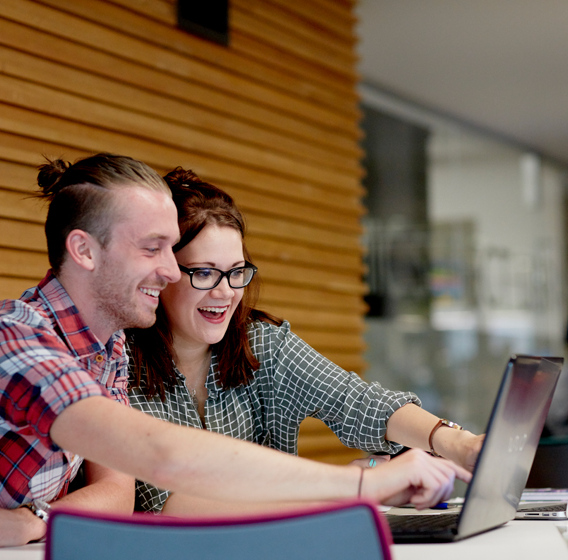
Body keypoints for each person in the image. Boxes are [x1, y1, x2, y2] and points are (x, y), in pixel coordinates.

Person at [0, 153, 469, 560]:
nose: (170, 270)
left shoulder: (103, 347)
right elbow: (164, 462)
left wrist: (34, 520)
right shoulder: (16, 340)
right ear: (83, 249)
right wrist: (362, 487)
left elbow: (120, 490)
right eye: (155, 249)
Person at [127, 167, 484, 515]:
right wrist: (356, 487)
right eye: (205, 272)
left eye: (237, 272)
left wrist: (457, 444)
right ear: (165, 272)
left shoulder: (261, 344)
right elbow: (171, 506)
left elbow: (358, 402)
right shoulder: (118, 363)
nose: (225, 292)